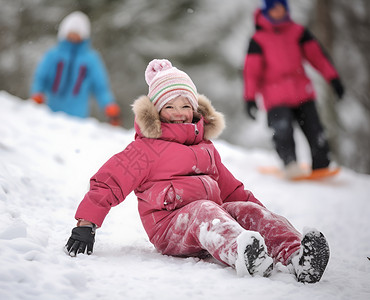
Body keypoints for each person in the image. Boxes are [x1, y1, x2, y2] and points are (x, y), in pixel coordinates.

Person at [65, 59, 330, 283]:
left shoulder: (206, 148)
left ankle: (299, 257)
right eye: (169, 106)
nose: (178, 113)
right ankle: (245, 255)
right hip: (170, 227)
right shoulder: (145, 149)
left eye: (184, 106)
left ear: (194, 109)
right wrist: (87, 223)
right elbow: (109, 181)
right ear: (156, 111)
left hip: (213, 218)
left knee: (244, 209)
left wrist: (260, 217)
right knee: (204, 210)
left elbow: (233, 190)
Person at [243, 0, 345, 179]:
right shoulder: (258, 40)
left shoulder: (298, 32)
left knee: (316, 132)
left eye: (281, 8)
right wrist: (250, 98)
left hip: (302, 92)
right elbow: (251, 72)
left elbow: (318, 57)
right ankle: (290, 164)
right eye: (274, 9)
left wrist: (333, 78)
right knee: (282, 132)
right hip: (275, 96)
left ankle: (321, 166)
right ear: (266, 11)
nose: (278, 12)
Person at [30, 11, 121, 126]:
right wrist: (37, 93)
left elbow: (100, 87)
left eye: (77, 34)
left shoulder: (91, 59)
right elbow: (40, 77)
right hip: (50, 116)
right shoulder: (53, 55)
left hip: (77, 120)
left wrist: (109, 105)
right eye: (70, 33)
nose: (73, 37)